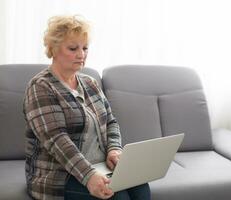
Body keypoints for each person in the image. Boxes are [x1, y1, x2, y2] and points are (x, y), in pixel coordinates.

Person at [23, 15, 151, 200]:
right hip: (58, 176)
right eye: (73, 48)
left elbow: (111, 122)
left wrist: (114, 150)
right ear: (54, 49)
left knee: (140, 186)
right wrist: (90, 176)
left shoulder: (89, 83)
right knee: (119, 196)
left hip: (99, 167)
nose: (81, 54)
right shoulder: (40, 87)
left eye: (85, 48)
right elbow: (57, 141)